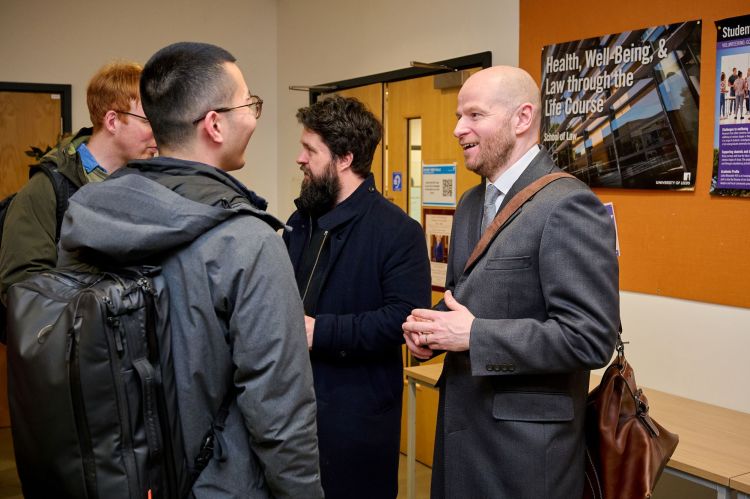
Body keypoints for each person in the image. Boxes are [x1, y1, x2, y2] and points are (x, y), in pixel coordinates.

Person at [57, 42, 323, 498]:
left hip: (114, 474)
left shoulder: (88, 212)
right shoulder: (249, 241)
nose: (254, 117)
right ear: (215, 124)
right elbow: (279, 409)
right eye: (250, 104)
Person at [402, 66, 620, 498]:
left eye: (474, 115)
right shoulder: (469, 203)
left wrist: (474, 336)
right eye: (458, 116)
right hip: (461, 438)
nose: (458, 129)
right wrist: (434, 332)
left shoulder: (569, 205)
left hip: (523, 458)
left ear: (522, 118)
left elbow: (592, 338)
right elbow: (469, 303)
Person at [284, 95, 431, 499]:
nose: (300, 158)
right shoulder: (300, 223)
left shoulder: (398, 232)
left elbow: (402, 319)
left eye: (310, 150)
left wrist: (320, 332)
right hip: (293, 412)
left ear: (345, 158)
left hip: (356, 423)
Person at [0, 62, 156, 300]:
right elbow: (22, 287)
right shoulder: (49, 188)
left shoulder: (150, 185)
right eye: (147, 121)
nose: (158, 131)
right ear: (113, 121)